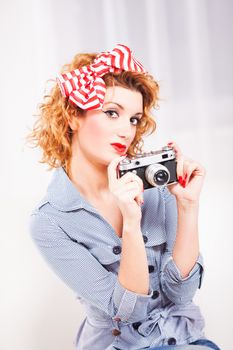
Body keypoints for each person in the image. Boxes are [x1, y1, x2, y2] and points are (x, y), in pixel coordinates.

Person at [27, 44, 220, 350]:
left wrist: (188, 206)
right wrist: (131, 221)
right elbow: (127, 310)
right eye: (112, 113)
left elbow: (182, 294)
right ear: (73, 116)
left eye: (133, 119)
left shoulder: (158, 188)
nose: (126, 131)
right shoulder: (51, 221)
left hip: (181, 340)